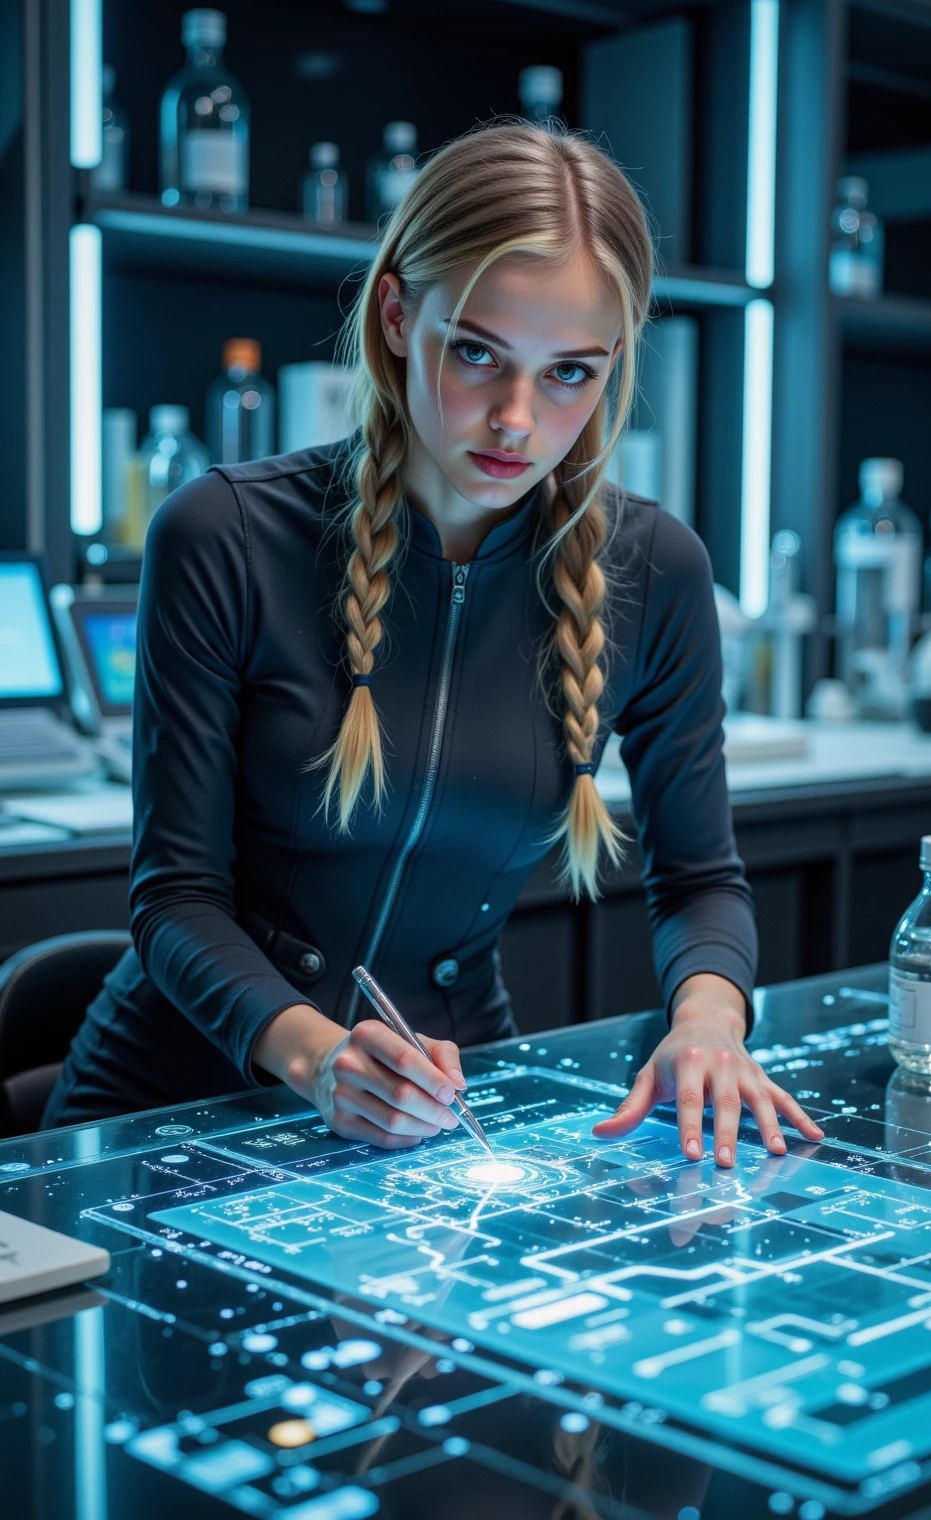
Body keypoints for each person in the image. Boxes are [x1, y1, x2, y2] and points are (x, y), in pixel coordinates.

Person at [44, 121, 822, 1166]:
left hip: (439, 1111)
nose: (514, 420)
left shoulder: (658, 571)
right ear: (399, 313)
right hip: (168, 1110)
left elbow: (699, 881)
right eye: (478, 354)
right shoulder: (222, 532)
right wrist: (320, 1061)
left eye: (569, 374)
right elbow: (175, 898)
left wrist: (708, 1024)